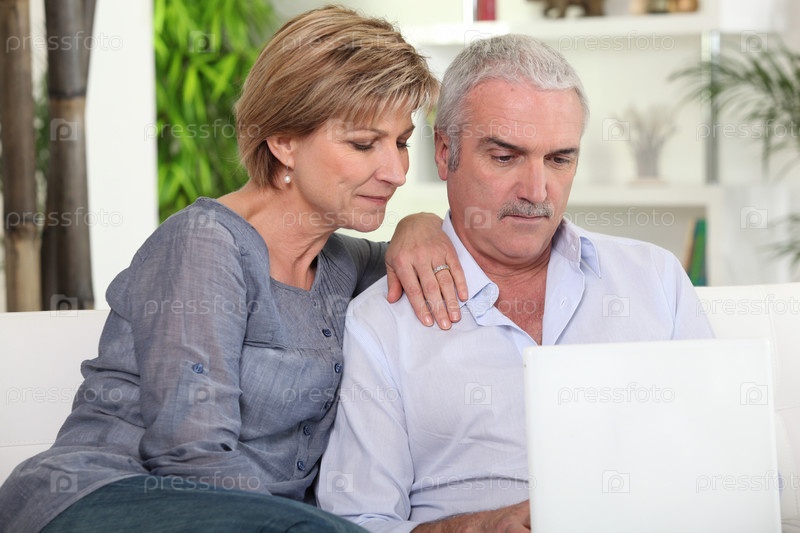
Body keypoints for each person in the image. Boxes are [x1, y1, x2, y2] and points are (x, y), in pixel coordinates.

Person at [0, 6, 467, 532]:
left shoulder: (343, 263)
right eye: (363, 144)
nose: (397, 172)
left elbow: (441, 259)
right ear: (283, 141)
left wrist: (421, 224)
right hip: (101, 496)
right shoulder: (205, 244)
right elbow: (190, 457)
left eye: (401, 142)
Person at [317, 34, 715, 532]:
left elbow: (724, 463)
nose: (536, 191)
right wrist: (478, 528)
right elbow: (359, 522)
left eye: (559, 159)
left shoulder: (654, 278)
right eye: (505, 157)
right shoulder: (382, 322)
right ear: (444, 152)